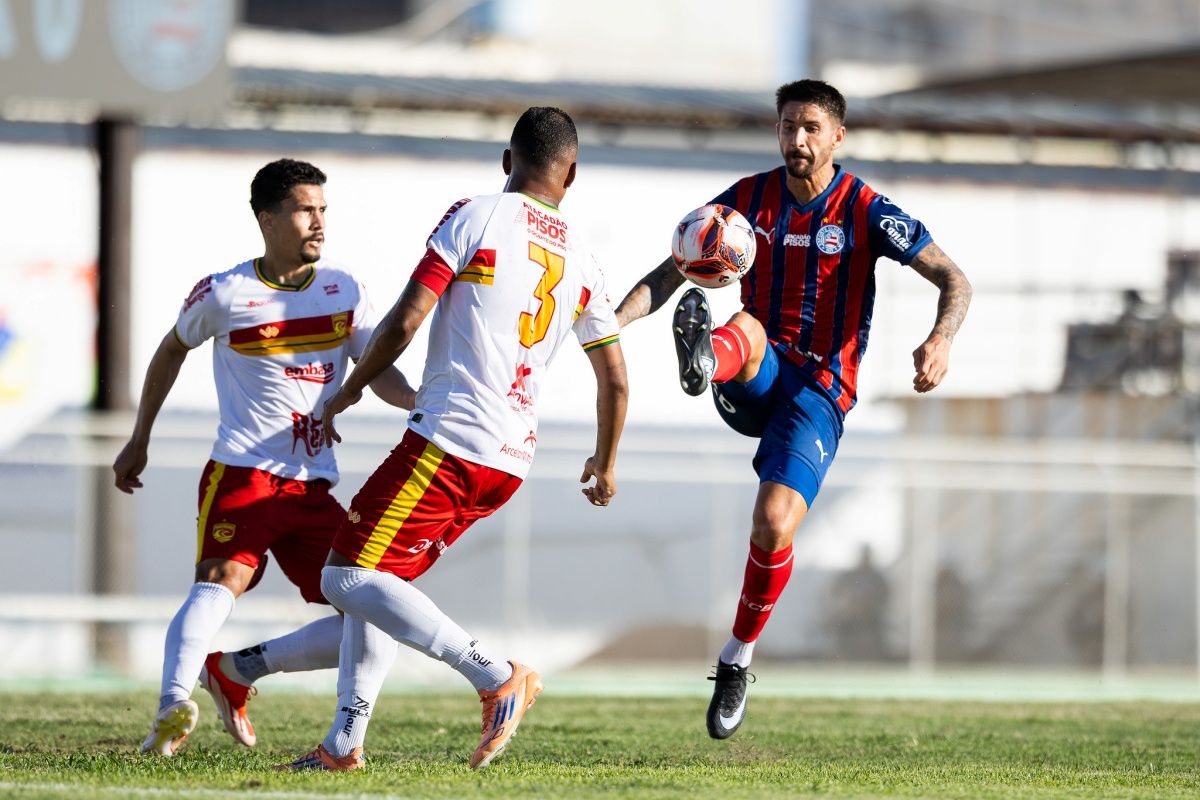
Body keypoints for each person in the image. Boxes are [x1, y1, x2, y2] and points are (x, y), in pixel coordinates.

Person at [615, 79, 972, 739]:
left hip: (820, 395)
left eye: (811, 128)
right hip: (753, 368)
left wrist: (940, 339)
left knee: (774, 522)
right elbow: (672, 270)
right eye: (787, 127)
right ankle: (703, 360)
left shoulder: (867, 209)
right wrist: (612, 323)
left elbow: (954, 277)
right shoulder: (746, 203)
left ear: (838, 135)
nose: (797, 140)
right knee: (749, 327)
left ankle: (736, 658)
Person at [278, 106, 629, 771]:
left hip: (450, 441)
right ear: (572, 173)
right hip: (509, 460)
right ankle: (342, 746)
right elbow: (615, 380)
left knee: (347, 574)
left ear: (507, 160)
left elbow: (405, 320)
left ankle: (495, 675)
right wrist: (605, 464)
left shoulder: (477, 215)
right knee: (379, 585)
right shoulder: (584, 257)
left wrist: (354, 387)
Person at [113, 158, 416, 756]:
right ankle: (174, 705)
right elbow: (170, 351)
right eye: (306, 210)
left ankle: (238, 669)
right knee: (220, 582)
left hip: (313, 488)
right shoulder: (225, 292)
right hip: (244, 473)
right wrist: (139, 436)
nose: (319, 223)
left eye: (324, 210)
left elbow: (376, 369)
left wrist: (420, 405)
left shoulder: (343, 289)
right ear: (268, 219)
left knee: (370, 610)